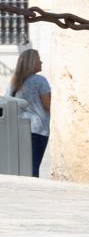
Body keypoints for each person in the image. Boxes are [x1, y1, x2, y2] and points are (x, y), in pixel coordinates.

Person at [7, 49, 51, 177]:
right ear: (32, 63)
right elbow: (47, 105)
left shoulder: (14, 82)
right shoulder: (40, 80)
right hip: (37, 130)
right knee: (33, 166)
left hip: (17, 128)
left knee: (19, 167)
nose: (41, 62)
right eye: (39, 59)